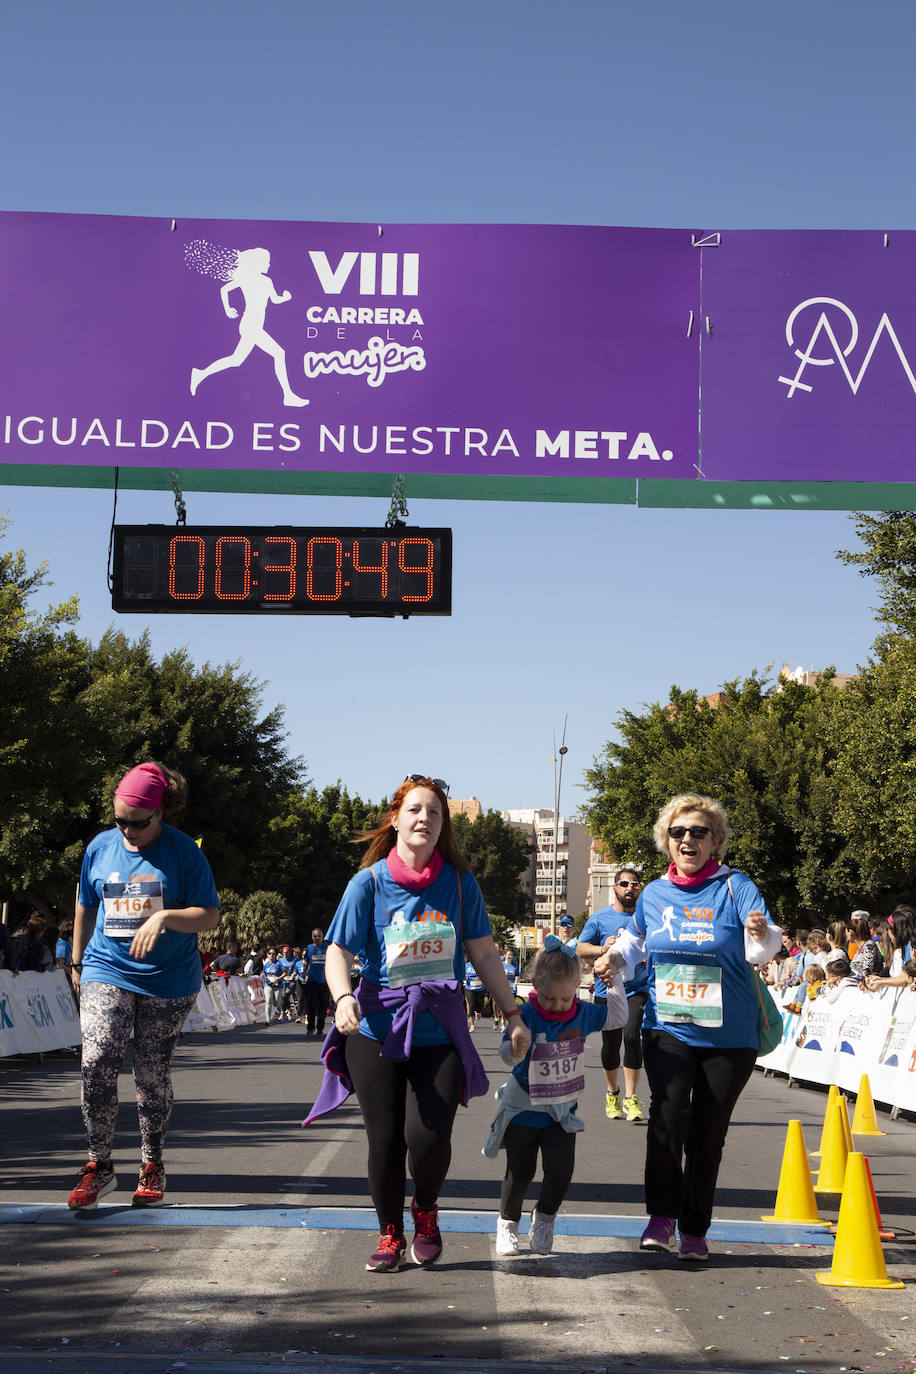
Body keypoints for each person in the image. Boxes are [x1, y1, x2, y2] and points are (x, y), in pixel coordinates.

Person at [305, 774, 530, 1273]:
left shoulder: (458, 882)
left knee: (428, 1136)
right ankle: (389, 1232)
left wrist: (512, 1014)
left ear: (443, 824)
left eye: (434, 812)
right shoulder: (367, 883)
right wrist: (342, 997)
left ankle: (425, 1211)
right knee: (385, 1139)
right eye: (414, 810)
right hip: (377, 1030)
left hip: (439, 1029)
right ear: (396, 819)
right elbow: (337, 951)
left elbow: (485, 953)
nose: (424, 819)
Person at [594, 792, 782, 1263]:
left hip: (729, 1036)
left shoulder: (736, 887)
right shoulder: (654, 893)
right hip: (668, 1028)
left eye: (699, 831)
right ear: (667, 841)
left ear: (715, 840)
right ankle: (661, 1217)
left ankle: (695, 1227)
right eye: (678, 832)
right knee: (667, 1116)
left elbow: (766, 946)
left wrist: (761, 935)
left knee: (707, 1134)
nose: (687, 839)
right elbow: (636, 942)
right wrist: (613, 957)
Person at [68, 762, 220, 1210]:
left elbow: (208, 914)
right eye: (120, 821)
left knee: (151, 1074)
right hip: (106, 967)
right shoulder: (99, 848)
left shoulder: (184, 853)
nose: (128, 831)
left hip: (168, 979)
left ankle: (151, 1164)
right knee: (97, 1060)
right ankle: (99, 1166)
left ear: (162, 812)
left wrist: (164, 916)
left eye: (139, 822)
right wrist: (77, 963)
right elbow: (84, 906)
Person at [483, 936, 627, 1256]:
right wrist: (514, 1050)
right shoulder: (527, 1015)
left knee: (561, 1171)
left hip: (561, 1112)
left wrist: (614, 982)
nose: (558, 1007)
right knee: (519, 1173)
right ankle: (507, 1223)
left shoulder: (582, 1014)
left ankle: (545, 1217)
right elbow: (506, 1054)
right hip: (523, 1109)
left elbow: (617, 1019)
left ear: (577, 989)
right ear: (535, 985)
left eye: (566, 998)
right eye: (550, 998)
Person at [578, 866, 648, 1123]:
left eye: (635, 885)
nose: (631, 888)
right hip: (606, 988)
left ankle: (630, 1098)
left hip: (637, 989)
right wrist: (601, 948)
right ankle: (612, 1093)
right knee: (611, 1044)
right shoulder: (599, 918)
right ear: (615, 887)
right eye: (625, 884)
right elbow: (579, 949)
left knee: (632, 1037)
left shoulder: (644, 919)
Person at [304, 927, 330, 1036]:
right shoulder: (309, 948)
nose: (317, 938)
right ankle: (310, 1028)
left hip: (324, 981)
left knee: (322, 1006)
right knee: (311, 1005)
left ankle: (320, 1028)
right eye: (315, 936)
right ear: (312, 937)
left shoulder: (327, 947)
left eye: (319, 936)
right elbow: (306, 961)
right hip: (312, 980)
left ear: (322, 936)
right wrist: (304, 973)